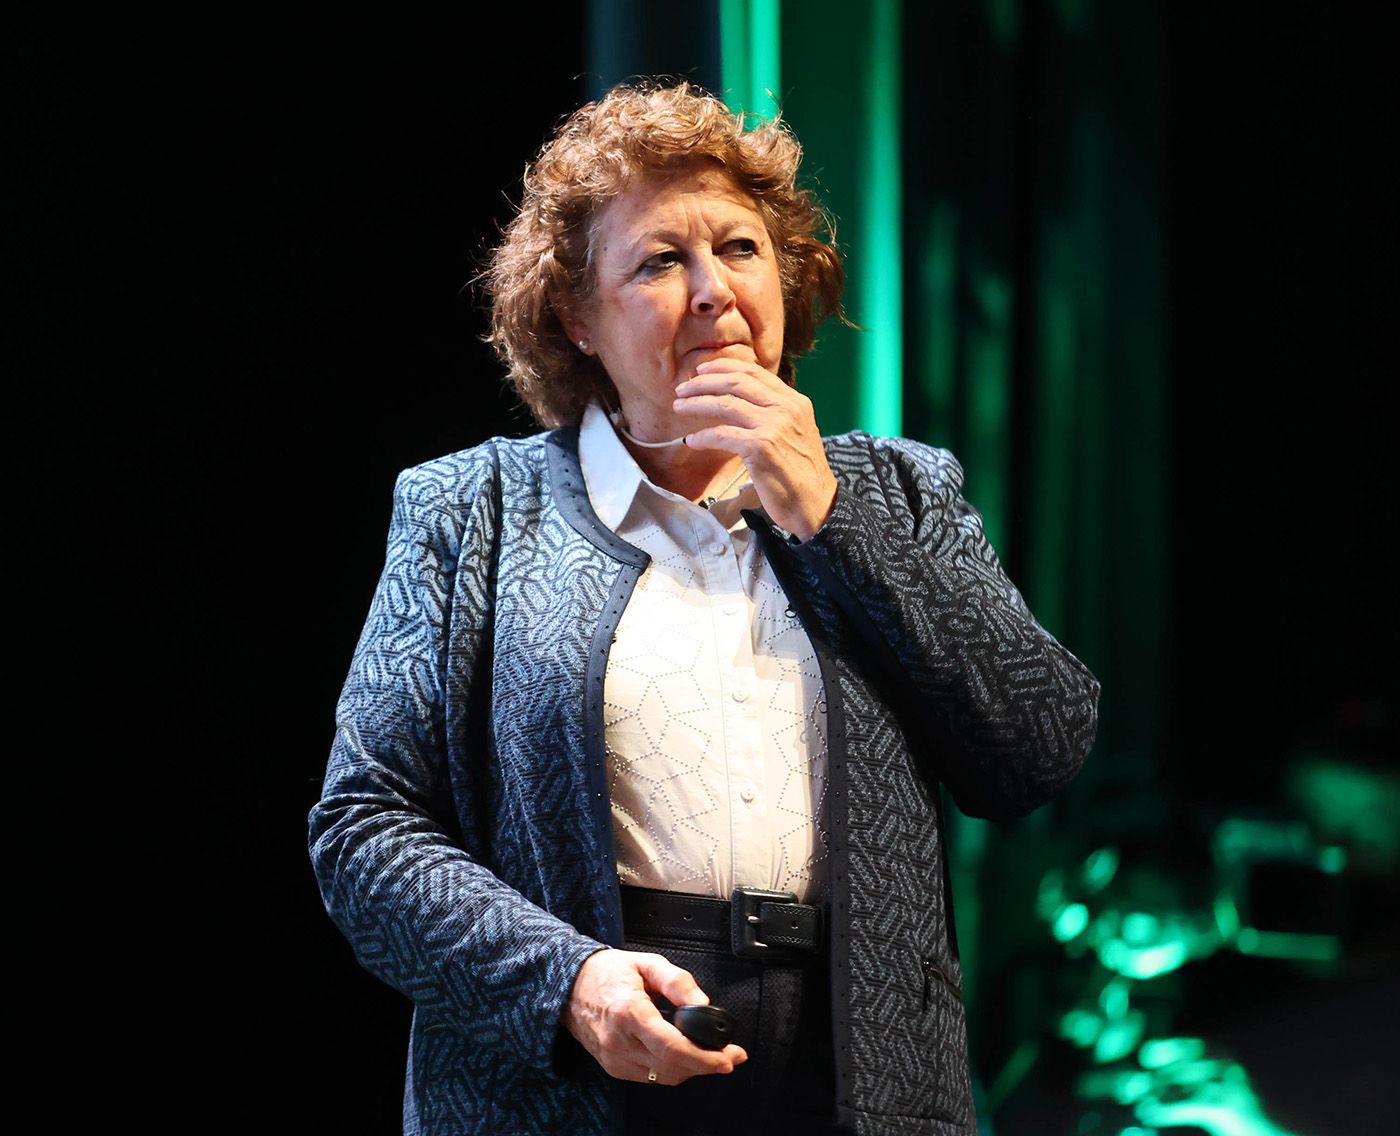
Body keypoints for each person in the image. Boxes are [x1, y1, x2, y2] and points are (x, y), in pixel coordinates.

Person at [309, 81, 1099, 1136]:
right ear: (574, 318)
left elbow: (1039, 744)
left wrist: (828, 512)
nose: (712, 290)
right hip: (576, 1071)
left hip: (851, 1069)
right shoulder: (471, 510)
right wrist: (567, 983)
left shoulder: (902, 490)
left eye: (738, 248)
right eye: (658, 261)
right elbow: (364, 831)